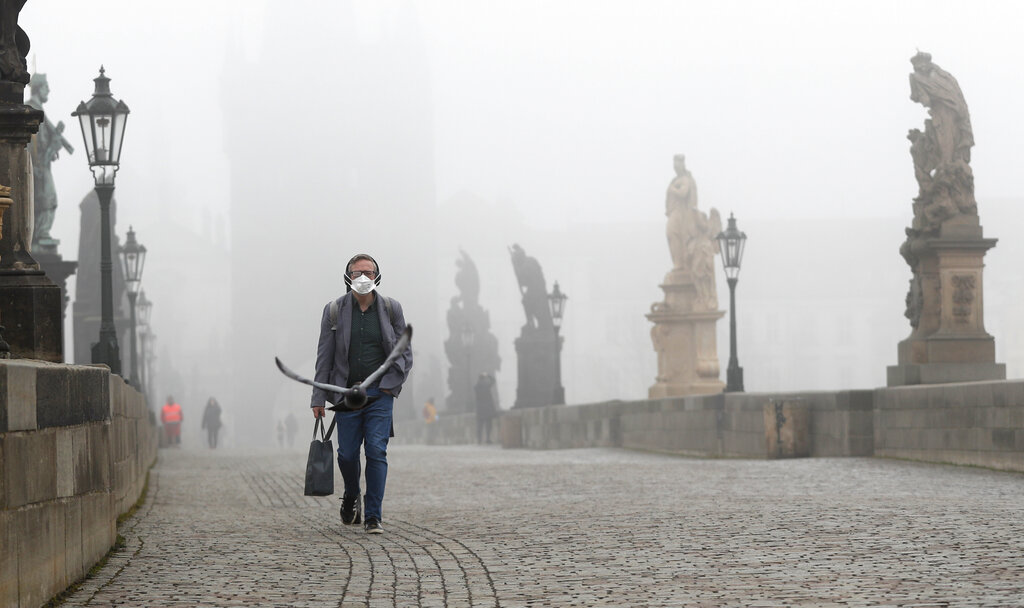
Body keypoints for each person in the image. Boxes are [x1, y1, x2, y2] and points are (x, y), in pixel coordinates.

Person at [310, 253, 412, 534]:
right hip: (347, 395)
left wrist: (392, 384)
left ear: (377, 276)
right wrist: (318, 397)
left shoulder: (392, 308)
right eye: (357, 273)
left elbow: (404, 350)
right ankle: (352, 494)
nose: (363, 277)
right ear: (348, 277)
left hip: (380, 394)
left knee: (377, 451)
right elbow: (324, 357)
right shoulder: (333, 311)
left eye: (369, 272)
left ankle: (373, 516)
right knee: (346, 454)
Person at [474, 373, 497, 444]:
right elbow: (493, 380)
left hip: (480, 408)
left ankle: (479, 440)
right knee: (488, 425)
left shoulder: (476, 387)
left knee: (480, 425)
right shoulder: (486, 386)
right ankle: (488, 439)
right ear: (484, 379)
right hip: (487, 408)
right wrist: (488, 375)